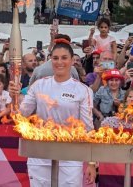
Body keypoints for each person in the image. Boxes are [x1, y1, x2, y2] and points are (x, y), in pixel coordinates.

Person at [9, 39, 96, 186]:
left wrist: (92, 162)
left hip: (70, 156)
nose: (59, 62)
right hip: (40, 154)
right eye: (55, 58)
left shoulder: (83, 91)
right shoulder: (39, 85)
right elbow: (20, 116)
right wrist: (14, 99)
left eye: (64, 58)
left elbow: (88, 128)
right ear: (50, 59)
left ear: (72, 60)